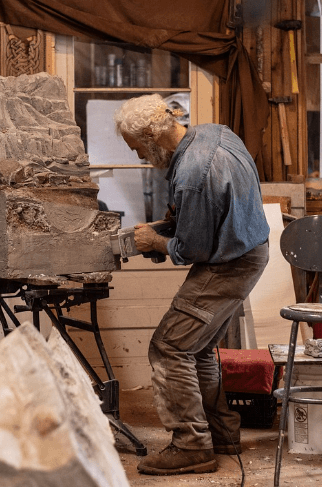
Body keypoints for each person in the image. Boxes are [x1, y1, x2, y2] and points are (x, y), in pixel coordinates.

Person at [114, 94, 270, 475]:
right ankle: (221, 433)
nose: (139, 157)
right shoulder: (215, 133)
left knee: (169, 346)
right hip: (250, 250)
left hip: (230, 264)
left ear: (151, 136)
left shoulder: (192, 175)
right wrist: (177, 218)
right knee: (196, 348)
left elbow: (191, 250)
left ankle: (191, 445)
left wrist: (156, 241)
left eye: (136, 148)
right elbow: (216, 205)